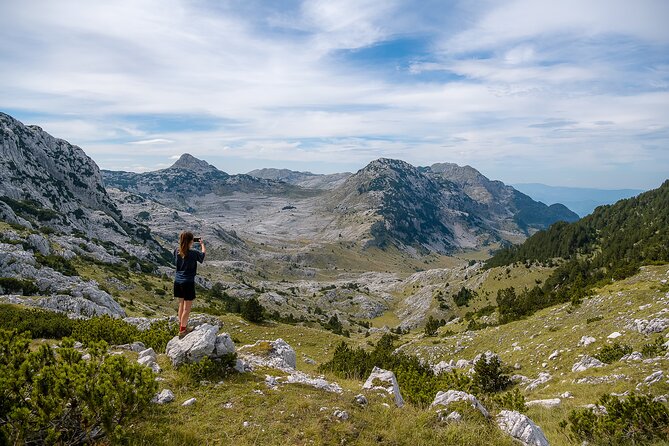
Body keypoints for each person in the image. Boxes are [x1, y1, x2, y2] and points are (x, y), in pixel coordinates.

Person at [174, 231, 206, 338]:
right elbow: (202, 256)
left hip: (178, 281)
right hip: (188, 282)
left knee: (181, 305)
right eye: (193, 239)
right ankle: (183, 331)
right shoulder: (193, 253)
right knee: (187, 309)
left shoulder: (176, 251)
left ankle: (182, 326)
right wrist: (202, 244)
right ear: (191, 241)